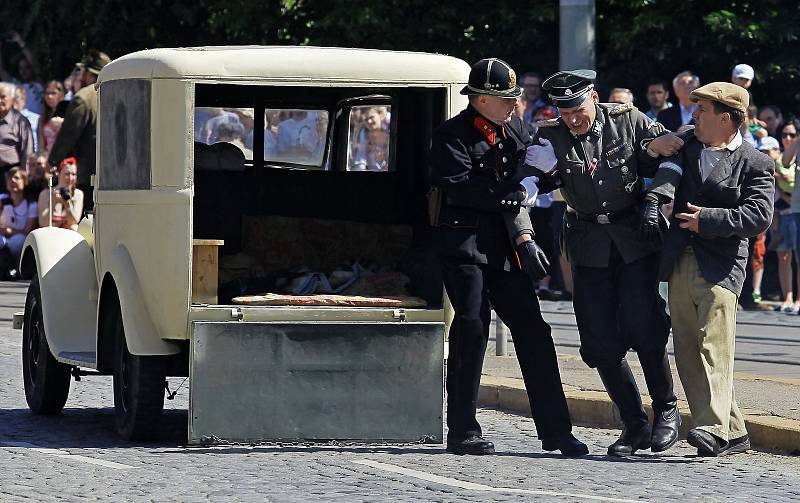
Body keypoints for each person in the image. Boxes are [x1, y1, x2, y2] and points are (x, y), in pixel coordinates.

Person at [429, 58, 587, 457]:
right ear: (480, 99)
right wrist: (516, 189)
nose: (513, 105)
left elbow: (533, 173)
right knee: (471, 329)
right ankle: (462, 428)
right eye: (504, 99)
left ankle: (555, 430)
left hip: (506, 248)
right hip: (467, 246)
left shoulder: (516, 127)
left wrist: (545, 175)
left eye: (514, 98)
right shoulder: (452, 135)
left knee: (534, 331)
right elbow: (463, 187)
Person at [528, 69, 684, 456]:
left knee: (643, 324)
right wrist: (524, 231)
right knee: (598, 343)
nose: (573, 119)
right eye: (565, 112)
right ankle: (634, 425)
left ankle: (666, 410)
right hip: (587, 244)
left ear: (594, 98)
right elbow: (528, 180)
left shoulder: (627, 119)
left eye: (578, 109)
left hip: (634, 238)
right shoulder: (549, 135)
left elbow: (670, 157)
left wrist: (656, 198)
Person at [659, 82, 774, 456]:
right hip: (678, 260)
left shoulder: (756, 162)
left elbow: (759, 216)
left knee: (714, 346)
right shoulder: (686, 143)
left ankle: (711, 427)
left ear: (726, 119)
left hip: (722, 266)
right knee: (687, 348)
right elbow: (651, 154)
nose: (694, 116)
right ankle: (736, 431)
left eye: (702, 111)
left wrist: (706, 219)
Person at [49, 49, 111, 212]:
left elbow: (67, 138)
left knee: (86, 225)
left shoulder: (84, 98)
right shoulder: (118, 93)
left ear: (89, 73)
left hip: (87, 176)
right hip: (116, 177)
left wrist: (52, 163)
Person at [764, 134, 797, 313]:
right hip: (781, 213)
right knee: (783, 258)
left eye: (793, 135)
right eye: (784, 134)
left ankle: (798, 299)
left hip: (795, 211)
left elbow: (790, 184)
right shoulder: (777, 163)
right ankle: (788, 298)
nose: (788, 138)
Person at [0, 167, 38, 279]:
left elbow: (27, 231)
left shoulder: (31, 205)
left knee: (19, 240)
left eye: (16, 178)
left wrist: (11, 231)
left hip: (18, 239)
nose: (12, 181)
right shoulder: (2, 199)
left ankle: (17, 270)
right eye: (10, 178)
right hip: (2, 237)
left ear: (24, 181)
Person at [38, 157, 83, 230]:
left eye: (73, 174)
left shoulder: (78, 194)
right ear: (59, 174)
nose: (70, 178)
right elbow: (43, 223)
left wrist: (67, 204)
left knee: (75, 227)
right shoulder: (46, 194)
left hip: (68, 232)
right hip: (51, 231)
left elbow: (74, 221)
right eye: (67, 174)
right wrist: (53, 202)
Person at [0, 82, 34, 177]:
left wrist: (24, 175)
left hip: (11, 173)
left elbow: (28, 151)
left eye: (3, 97)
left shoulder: (20, 122)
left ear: (12, 99)